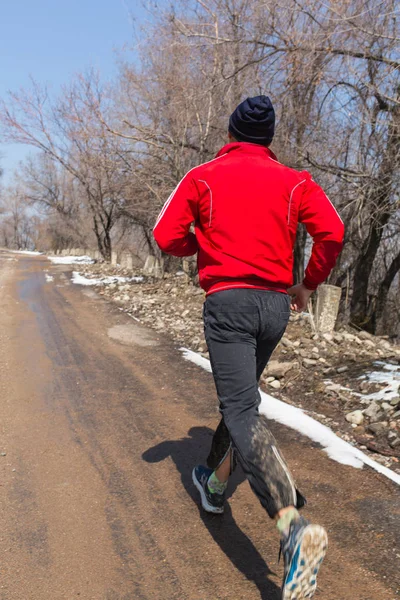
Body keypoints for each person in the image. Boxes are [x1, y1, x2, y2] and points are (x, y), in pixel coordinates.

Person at [153, 95, 344, 600]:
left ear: (233, 130)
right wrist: (308, 283)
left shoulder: (204, 175)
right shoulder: (295, 180)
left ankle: (292, 525)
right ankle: (214, 485)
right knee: (243, 403)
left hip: (230, 303)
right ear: (269, 137)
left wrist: (203, 244)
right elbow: (334, 231)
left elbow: (164, 235)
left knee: (240, 408)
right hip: (276, 306)